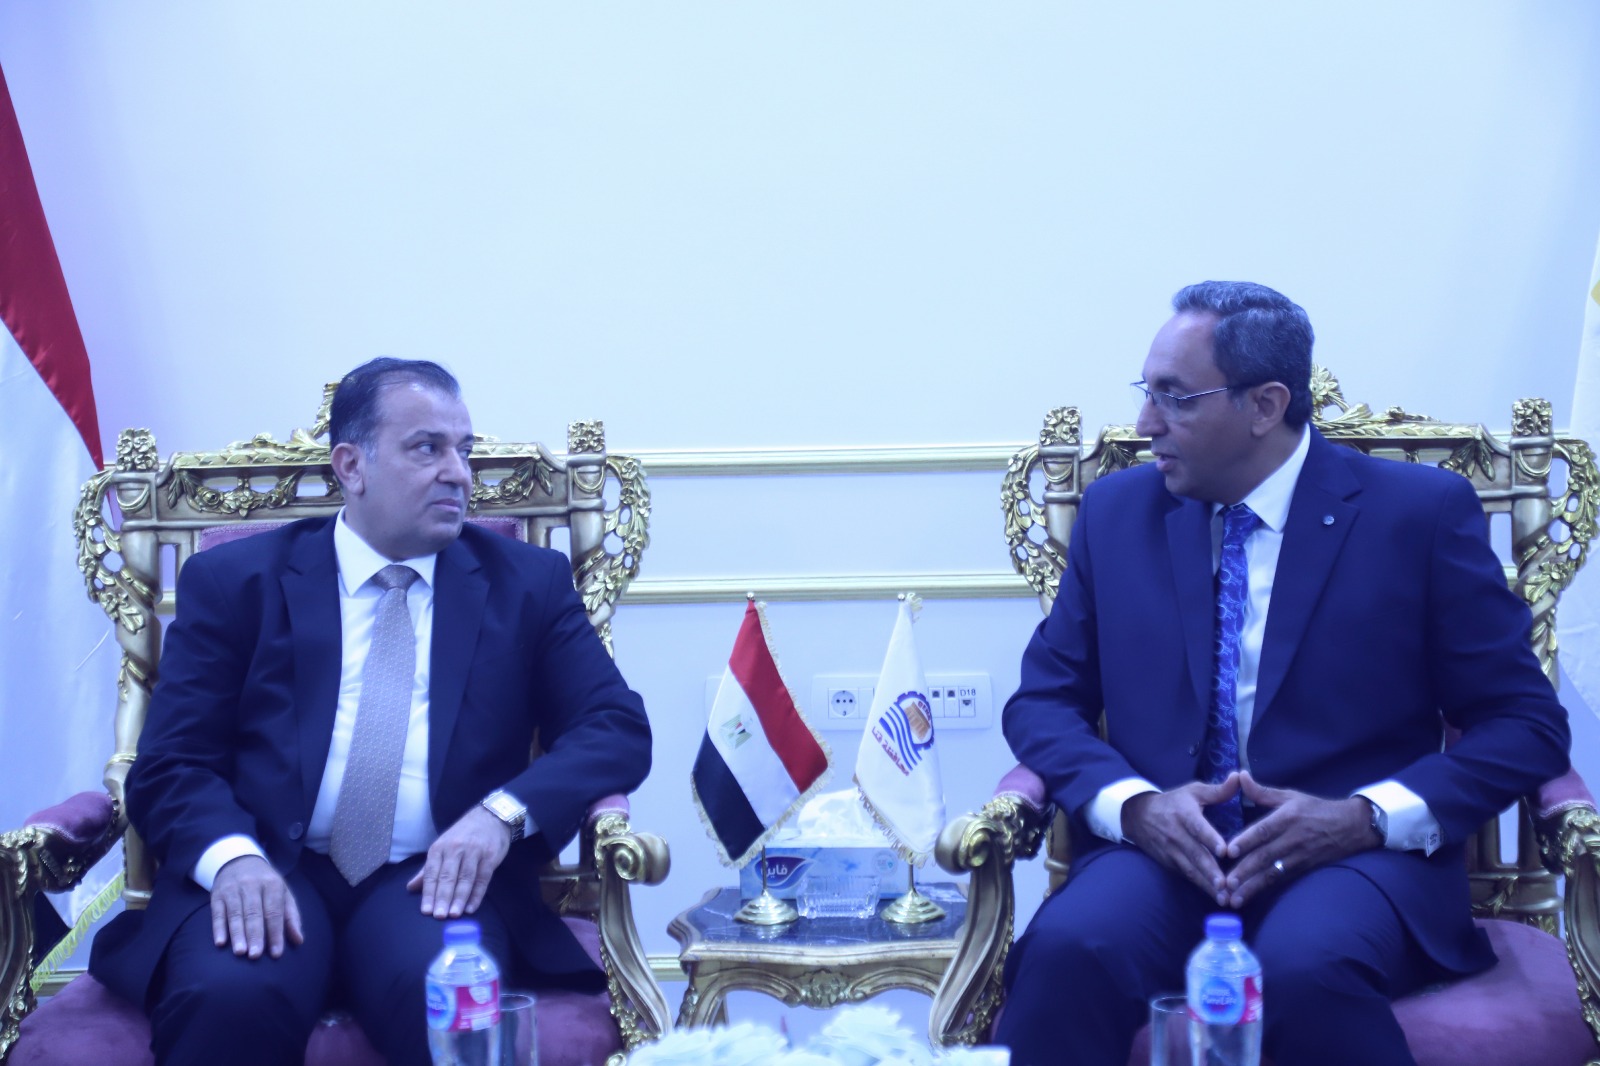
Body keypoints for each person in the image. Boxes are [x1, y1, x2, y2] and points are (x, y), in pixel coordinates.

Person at [995, 282, 1570, 1066]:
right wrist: (1135, 807)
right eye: (1146, 392)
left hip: (1357, 860)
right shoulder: (1118, 513)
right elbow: (1044, 702)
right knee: (1068, 951)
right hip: (1164, 854)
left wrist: (1366, 816)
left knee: (1307, 972)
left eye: (1174, 398)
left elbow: (1525, 726)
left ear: (1265, 405)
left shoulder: (1417, 514)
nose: (1145, 424)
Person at [89, 358, 653, 1066]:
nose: (458, 473)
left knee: (444, 998)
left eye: (464, 451)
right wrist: (230, 860)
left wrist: (502, 815)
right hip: (267, 863)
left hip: (432, 880)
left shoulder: (526, 584)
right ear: (351, 466)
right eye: (427, 448)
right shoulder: (237, 582)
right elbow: (171, 762)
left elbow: (614, 727)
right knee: (231, 996)